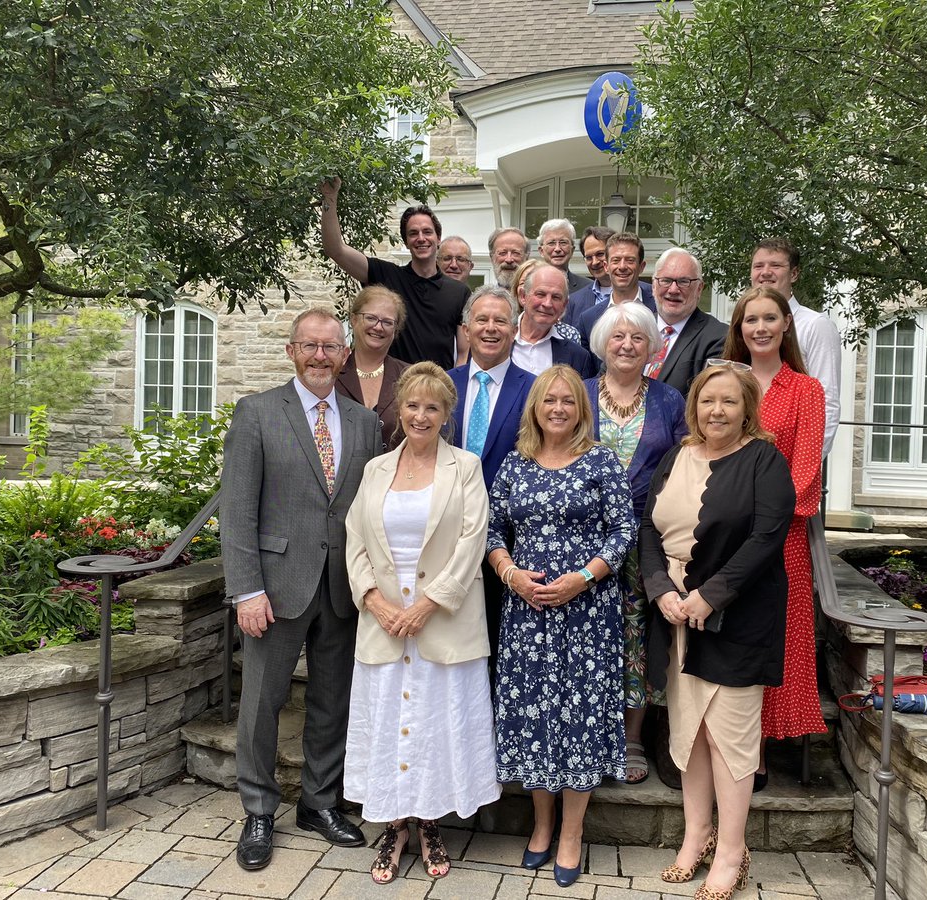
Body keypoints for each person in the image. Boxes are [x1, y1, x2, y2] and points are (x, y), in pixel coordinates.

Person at [221, 309, 382, 871]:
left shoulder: (365, 423)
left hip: (342, 589)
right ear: (292, 351)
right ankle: (259, 811)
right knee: (262, 703)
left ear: (344, 355)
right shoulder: (258, 413)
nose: (320, 356)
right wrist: (246, 591)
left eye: (330, 347)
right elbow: (237, 511)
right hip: (276, 588)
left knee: (331, 702)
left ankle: (319, 804)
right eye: (309, 346)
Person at [638, 364, 795, 900]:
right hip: (677, 614)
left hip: (737, 617)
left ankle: (731, 850)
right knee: (690, 730)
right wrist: (661, 589)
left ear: (747, 407)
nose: (717, 411)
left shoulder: (764, 460)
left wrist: (711, 594)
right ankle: (696, 835)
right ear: (694, 407)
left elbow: (767, 536)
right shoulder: (676, 455)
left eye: (729, 402)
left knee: (729, 737)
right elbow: (648, 530)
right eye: (708, 402)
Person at [344, 362, 499, 884]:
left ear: (447, 414)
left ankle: (430, 821)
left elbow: (471, 541)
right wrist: (375, 601)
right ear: (399, 409)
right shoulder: (375, 471)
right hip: (384, 623)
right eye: (412, 404)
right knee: (389, 723)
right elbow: (355, 541)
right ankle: (393, 825)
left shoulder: (467, 468)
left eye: (432, 406)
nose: (420, 415)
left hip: (442, 622)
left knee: (434, 726)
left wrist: (428, 604)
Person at [486, 364, 636, 888]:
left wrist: (581, 578)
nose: (557, 409)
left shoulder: (601, 462)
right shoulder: (515, 463)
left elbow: (623, 532)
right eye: (548, 400)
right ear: (534, 407)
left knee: (580, 720)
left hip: (586, 614)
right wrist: (511, 574)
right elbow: (492, 531)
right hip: (527, 615)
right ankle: (541, 824)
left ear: (581, 409)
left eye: (567, 401)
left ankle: (572, 832)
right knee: (535, 717)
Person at [723, 286, 827, 788]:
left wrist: (760, 519)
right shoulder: (725, 382)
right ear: (738, 329)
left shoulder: (806, 390)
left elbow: (806, 470)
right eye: (750, 320)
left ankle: (757, 750)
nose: (759, 328)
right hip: (723, 534)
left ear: (786, 323)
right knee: (729, 637)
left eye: (769, 318)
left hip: (780, 539)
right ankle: (722, 745)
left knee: (771, 641)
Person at [584, 303, 687, 785]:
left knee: (638, 639)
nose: (627, 345)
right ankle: (587, 732)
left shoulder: (670, 401)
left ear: (652, 347)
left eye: (638, 338)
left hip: (648, 539)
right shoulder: (578, 395)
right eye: (618, 336)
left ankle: (631, 738)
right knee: (587, 635)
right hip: (582, 539)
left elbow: (687, 463)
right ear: (602, 342)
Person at [447, 286, 535, 652]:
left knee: (501, 643)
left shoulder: (534, 390)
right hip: (446, 535)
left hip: (510, 543)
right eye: (481, 319)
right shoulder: (442, 386)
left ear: (515, 330)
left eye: (501, 320)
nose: (490, 327)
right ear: (466, 329)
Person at [321, 177, 468, 370]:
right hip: (390, 389)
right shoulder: (385, 276)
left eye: (427, 232)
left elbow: (464, 354)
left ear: (438, 238)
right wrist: (329, 197)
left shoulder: (459, 292)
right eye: (413, 233)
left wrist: (453, 387)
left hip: (435, 391)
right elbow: (335, 249)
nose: (421, 238)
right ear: (406, 242)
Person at [749, 238, 841, 457]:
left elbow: (827, 402)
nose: (765, 272)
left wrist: (808, 463)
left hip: (792, 454)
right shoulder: (744, 323)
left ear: (794, 274)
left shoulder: (815, 325)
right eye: (758, 266)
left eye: (776, 266)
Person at [336, 286, 410, 451]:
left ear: (395, 329)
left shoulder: (410, 377)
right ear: (354, 320)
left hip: (396, 475)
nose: (378, 327)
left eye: (387, 322)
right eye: (370, 318)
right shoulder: (332, 373)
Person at [648, 248, 728, 397]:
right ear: (653, 285)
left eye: (683, 282)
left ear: (699, 289)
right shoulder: (634, 328)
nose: (673, 290)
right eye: (665, 280)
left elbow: (708, 400)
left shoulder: (719, 337)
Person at [512, 264, 599, 377]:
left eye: (556, 297)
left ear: (564, 305)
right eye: (541, 294)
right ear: (523, 296)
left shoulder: (578, 357)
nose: (547, 304)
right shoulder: (499, 341)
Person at [577, 232, 656, 349]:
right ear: (606, 267)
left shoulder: (660, 309)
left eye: (630, 260)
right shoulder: (588, 319)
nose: (622, 266)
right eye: (616, 260)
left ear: (641, 267)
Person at [565, 226, 654, 328]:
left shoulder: (657, 297)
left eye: (600, 254)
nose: (595, 262)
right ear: (607, 266)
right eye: (589, 257)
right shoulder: (575, 303)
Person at [537, 218, 591, 294]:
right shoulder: (530, 283)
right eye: (551, 243)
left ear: (572, 250)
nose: (557, 249)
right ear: (541, 251)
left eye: (563, 242)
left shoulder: (588, 287)